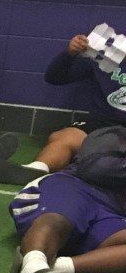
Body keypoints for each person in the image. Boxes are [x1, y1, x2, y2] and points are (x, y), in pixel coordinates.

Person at [7, 125, 126, 273]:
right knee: (60, 218)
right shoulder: (115, 135)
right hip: (74, 186)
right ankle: (33, 267)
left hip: (112, 213)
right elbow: (93, 168)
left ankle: (56, 268)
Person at [23, 32, 126, 174]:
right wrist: (70, 54)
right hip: (103, 122)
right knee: (64, 138)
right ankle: (36, 169)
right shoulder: (106, 53)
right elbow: (55, 78)